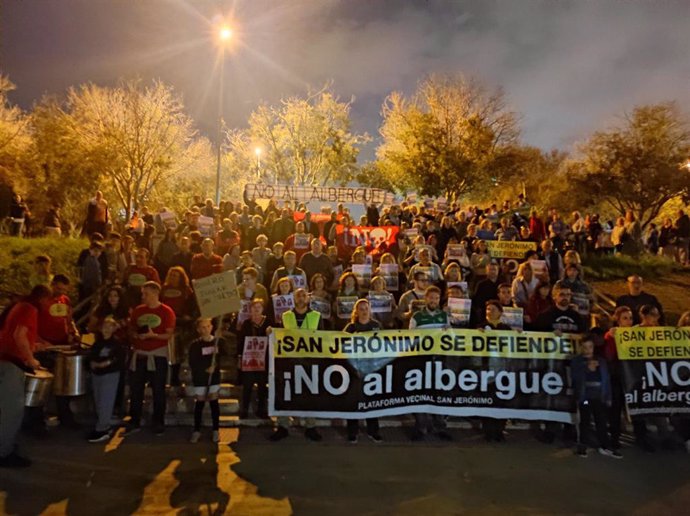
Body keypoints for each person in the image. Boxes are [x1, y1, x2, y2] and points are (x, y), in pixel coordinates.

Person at [0, 285, 52, 468]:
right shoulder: (30, 309)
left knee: (5, 410)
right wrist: (30, 359)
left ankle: (4, 446)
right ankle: (4, 454)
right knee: (12, 413)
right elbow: (19, 335)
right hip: (11, 364)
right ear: (43, 298)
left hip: (5, 361)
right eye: (47, 301)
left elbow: (20, 334)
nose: (48, 305)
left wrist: (36, 344)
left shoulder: (20, 306)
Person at [270, 288, 323, 442]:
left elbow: (323, 339)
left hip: (309, 362)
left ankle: (310, 426)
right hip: (288, 362)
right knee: (285, 394)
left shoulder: (317, 316)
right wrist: (271, 331)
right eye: (297, 295)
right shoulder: (285, 316)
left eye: (303, 295)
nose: (300, 298)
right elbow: (279, 335)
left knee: (310, 395)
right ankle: (283, 426)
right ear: (292, 298)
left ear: (308, 298)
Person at [124, 281, 176, 436]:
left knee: (158, 390)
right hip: (140, 354)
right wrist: (135, 334)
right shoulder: (138, 311)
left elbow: (168, 334)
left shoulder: (166, 311)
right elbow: (132, 328)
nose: (143, 296)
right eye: (142, 293)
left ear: (155, 293)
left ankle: (158, 421)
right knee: (136, 389)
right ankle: (134, 420)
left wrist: (154, 336)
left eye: (146, 293)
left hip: (157, 354)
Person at [408, 286, 452, 442]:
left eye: (436, 298)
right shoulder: (417, 317)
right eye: (431, 297)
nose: (433, 301)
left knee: (439, 394)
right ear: (425, 299)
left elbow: (450, 337)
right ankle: (421, 427)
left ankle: (440, 427)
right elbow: (411, 338)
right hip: (421, 361)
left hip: (440, 360)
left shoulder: (443, 316)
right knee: (421, 394)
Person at [571, 334, 621, 459]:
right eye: (585, 347)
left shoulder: (601, 361)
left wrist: (608, 396)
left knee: (601, 422)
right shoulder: (577, 361)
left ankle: (604, 446)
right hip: (585, 396)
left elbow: (606, 379)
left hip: (599, 396)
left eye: (590, 347)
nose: (588, 350)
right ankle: (583, 446)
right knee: (585, 422)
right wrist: (587, 369)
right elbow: (575, 378)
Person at [343, 299, 383, 443]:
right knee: (353, 401)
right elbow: (342, 346)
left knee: (371, 401)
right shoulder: (350, 328)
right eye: (361, 308)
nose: (364, 311)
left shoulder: (376, 326)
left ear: (370, 310)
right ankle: (352, 431)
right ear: (356, 311)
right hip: (354, 369)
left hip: (372, 369)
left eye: (366, 308)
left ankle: (373, 431)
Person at [87, 316, 126, 443]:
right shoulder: (97, 343)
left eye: (110, 327)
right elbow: (91, 356)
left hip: (110, 374)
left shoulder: (116, 344)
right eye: (104, 326)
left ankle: (102, 428)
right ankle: (104, 424)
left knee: (106, 400)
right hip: (97, 374)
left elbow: (117, 359)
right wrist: (93, 364)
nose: (106, 329)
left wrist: (104, 363)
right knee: (98, 400)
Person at [477, 300, 511, 442]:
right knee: (488, 399)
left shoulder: (506, 328)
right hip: (487, 368)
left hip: (502, 369)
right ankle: (489, 430)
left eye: (493, 309)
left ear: (500, 312)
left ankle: (500, 429)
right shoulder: (481, 327)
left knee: (501, 400)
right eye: (488, 309)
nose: (490, 312)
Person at [601, 306, 633, 451]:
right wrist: (610, 337)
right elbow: (608, 356)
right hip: (617, 376)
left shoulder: (638, 333)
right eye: (625, 318)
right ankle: (614, 436)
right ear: (618, 320)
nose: (628, 321)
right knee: (615, 408)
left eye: (630, 318)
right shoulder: (612, 335)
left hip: (632, 377)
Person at [188, 318, 223, 443]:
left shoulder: (218, 342)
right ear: (198, 330)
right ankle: (197, 430)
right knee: (200, 403)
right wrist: (204, 369)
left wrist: (215, 366)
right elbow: (193, 362)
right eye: (202, 327)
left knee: (214, 402)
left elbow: (224, 356)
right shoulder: (195, 345)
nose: (205, 329)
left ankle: (215, 430)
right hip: (200, 377)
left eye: (207, 326)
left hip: (214, 377)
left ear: (211, 327)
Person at [237, 300, 270, 420]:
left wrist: (269, 334)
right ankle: (244, 410)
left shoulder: (268, 323)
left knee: (262, 386)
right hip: (249, 358)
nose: (256, 309)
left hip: (263, 358)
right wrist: (239, 356)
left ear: (262, 309)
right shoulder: (246, 323)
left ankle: (262, 409)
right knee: (247, 386)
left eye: (259, 307)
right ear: (250, 310)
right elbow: (241, 341)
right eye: (254, 307)